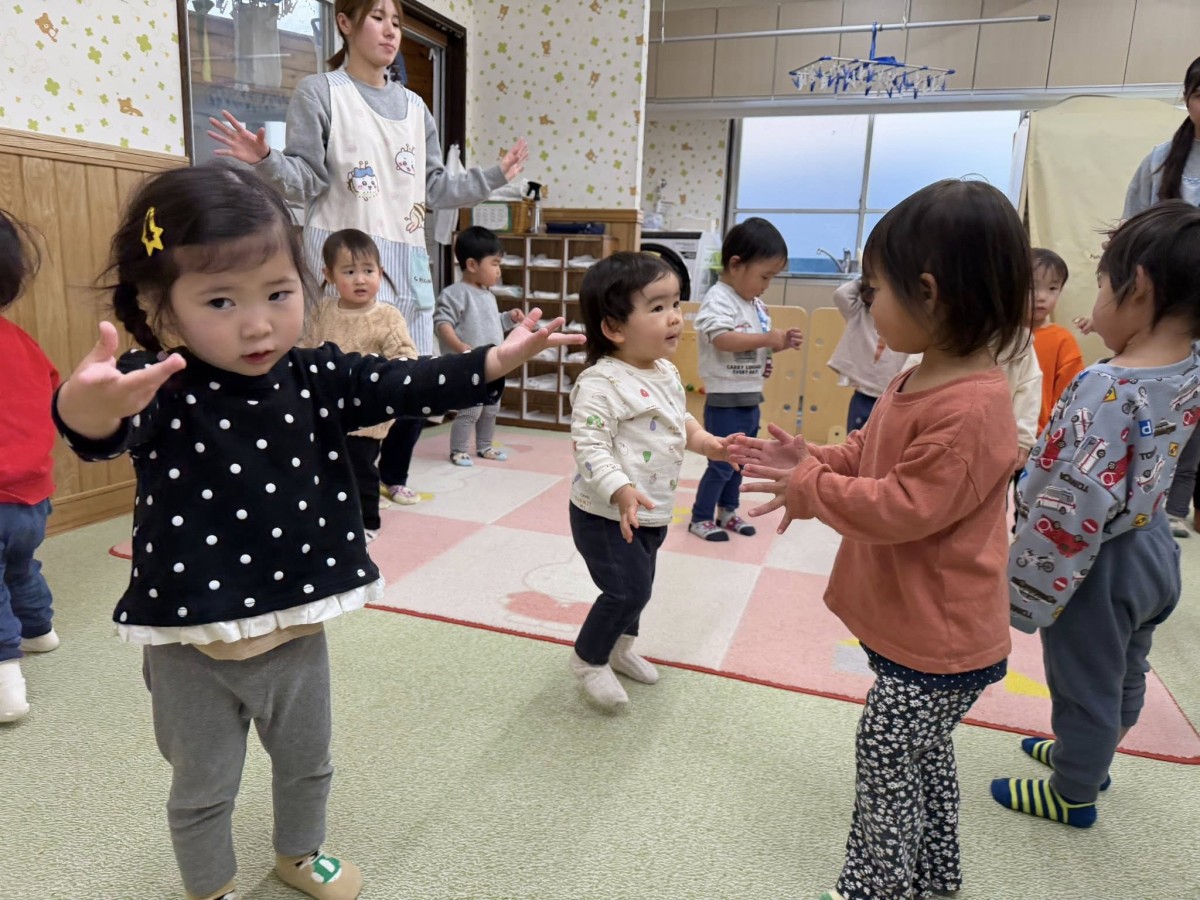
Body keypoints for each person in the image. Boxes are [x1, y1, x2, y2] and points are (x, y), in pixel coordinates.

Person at [51, 165, 580, 900]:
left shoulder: (315, 375)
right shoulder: (160, 383)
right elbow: (99, 431)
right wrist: (85, 405)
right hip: (191, 642)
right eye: (220, 301)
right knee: (203, 784)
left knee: (308, 762)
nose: (258, 323)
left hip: (296, 631)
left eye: (278, 293)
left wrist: (497, 359)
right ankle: (209, 887)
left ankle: (298, 854)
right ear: (158, 306)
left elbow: (406, 383)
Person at [733, 180, 1029, 900]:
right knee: (921, 756)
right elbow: (869, 451)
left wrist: (811, 489)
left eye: (874, 291)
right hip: (915, 627)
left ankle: (874, 888)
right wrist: (811, 459)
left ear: (929, 293)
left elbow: (902, 506)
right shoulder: (917, 375)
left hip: (942, 640)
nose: (867, 305)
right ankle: (934, 874)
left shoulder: (971, 409)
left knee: (887, 756)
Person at [208, 0, 530, 507]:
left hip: (404, 260)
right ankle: (325, 488)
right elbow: (305, 178)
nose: (390, 31)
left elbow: (436, 187)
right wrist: (265, 159)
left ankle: (384, 478)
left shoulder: (416, 107)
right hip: (340, 258)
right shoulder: (320, 91)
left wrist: (494, 177)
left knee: (410, 379)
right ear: (345, 23)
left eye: (396, 21)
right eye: (378, 17)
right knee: (327, 379)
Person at [994, 201, 1200, 829]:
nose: (1097, 300)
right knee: (1127, 666)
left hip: (1099, 564)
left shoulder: (1105, 385)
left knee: (1084, 679)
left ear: (1138, 286)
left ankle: (1074, 790)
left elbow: (1075, 498)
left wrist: (1027, 584)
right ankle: (1094, 751)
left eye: (1102, 284)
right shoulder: (1191, 367)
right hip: (1155, 546)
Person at [569, 252, 739, 707]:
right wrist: (620, 489)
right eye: (658, 307)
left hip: (653, 509)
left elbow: (679, 419)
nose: (675, 317)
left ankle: (620, 648)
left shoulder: (665, 370)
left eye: (676, 303)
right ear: (614, 327)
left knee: (640, 586)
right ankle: (589, 659)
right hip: (606, 513)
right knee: (626, 589)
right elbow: (589, 446)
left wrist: (708, 443)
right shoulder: (600, 383)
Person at [1120, 56, 1200, 536]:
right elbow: (1132, 230)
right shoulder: (1159, 160)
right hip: (1167, 298)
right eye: (1199, 94)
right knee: (1160, 395)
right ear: (1187, 98)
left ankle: (1176, 505)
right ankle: (1139, 499)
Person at [689, 217, 802, 542]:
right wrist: (766, 338)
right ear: (736, 264)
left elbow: (751, 346)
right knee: (722, 464)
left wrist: (779, 344)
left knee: (742, 462)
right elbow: (722, 339)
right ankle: (700, 518)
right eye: (764, 276)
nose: (767, 285)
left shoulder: (752, 303)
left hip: (750, 396)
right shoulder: (719, 298)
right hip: (725, 399)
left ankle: (727, 512)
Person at [307, 228, 417, 542]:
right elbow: (306, 348)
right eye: (349, 272)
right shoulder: (322, 311)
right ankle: (331, 519)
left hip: (367, 414)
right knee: (326, 468)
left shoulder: (387, 316)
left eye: (368, 271)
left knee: (361, 468)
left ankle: (368, 522)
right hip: (328, 411)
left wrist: (383, 375)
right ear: (328, 275)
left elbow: (405, 356)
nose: (360, 279)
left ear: (380, 272)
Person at [0, 210, 60, 723]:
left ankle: (5, 687)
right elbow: (52, 392)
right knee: (20, 566)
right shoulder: (21, 339)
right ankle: (40, 631)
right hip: (35, 496)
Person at [433, 225, 524, 466]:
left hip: (492, 364)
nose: (498, 270)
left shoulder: (489, 295)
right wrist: (460, 346)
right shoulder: (455, 293)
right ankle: (458, 450)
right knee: (470, 410)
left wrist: (509, 318)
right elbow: (442, 323)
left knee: (491, 408)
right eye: (494, 263)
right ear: (472, 265)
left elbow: (492, 324)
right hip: (468, 365)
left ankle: (484, 446)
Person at [828, 277, 907, 434]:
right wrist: (867, 276)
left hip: (892, 396)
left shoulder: (906, 320)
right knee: (855, 437)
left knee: (883, 439)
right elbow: (841, 294)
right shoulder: (858, 313)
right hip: (863, 394)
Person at [1029, 247, 1084, 434]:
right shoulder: (1000, 336)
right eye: (1031, 287)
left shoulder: (1063, 341)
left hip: (1042, 440)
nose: (1041, 297)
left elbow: (1071, 398)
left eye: (1052, 288)